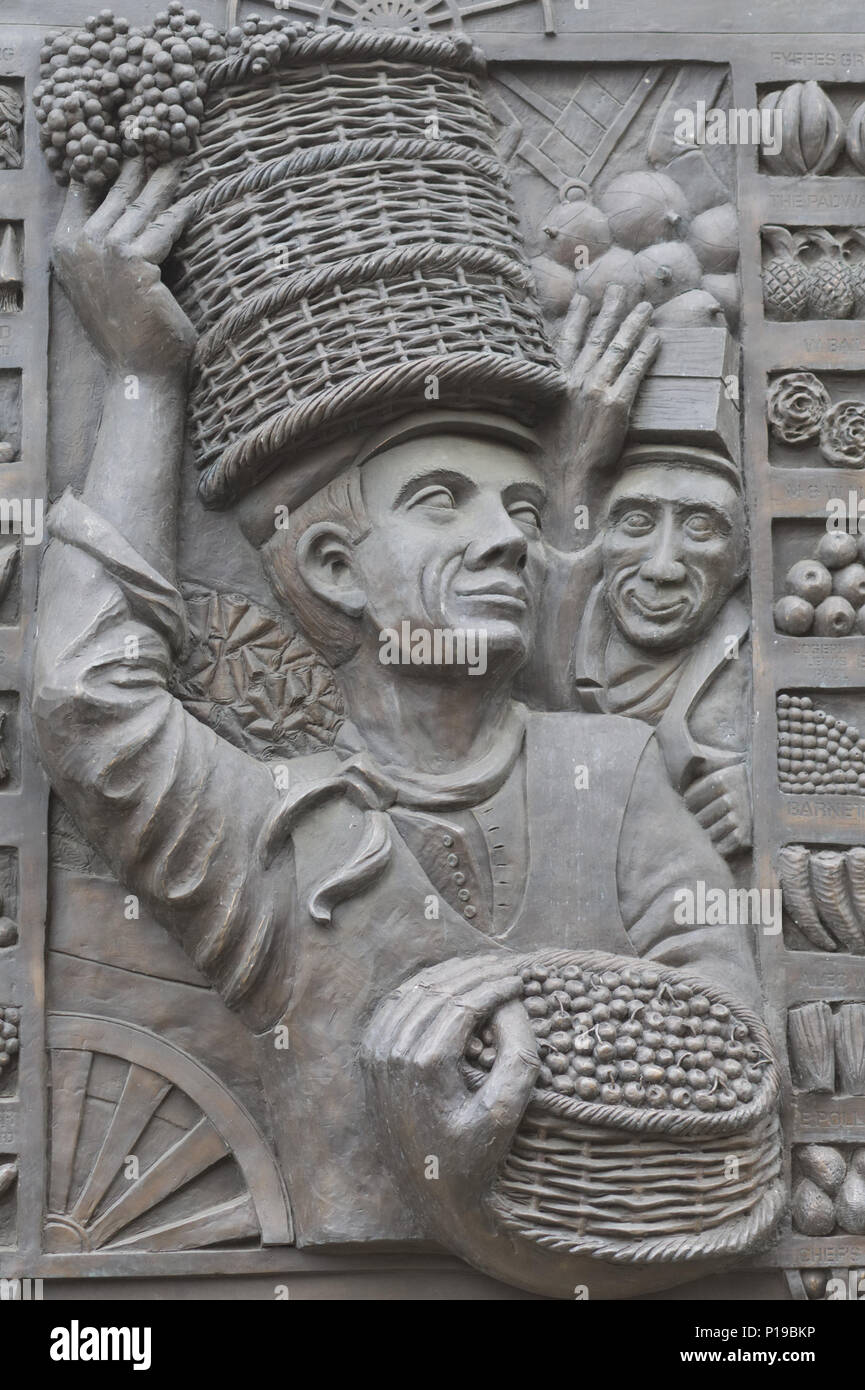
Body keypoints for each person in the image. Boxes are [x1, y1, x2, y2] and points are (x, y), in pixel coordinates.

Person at [31, 161, 760, 1295]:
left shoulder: (610, 779)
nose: (510, 537)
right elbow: (89, 702)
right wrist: (139, 380)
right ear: (334, 567)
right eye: (442, 501)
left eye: (524, 509)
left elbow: (726, 1055)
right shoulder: (278, 839)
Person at [571, 447, 751, 859]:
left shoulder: (766, 662)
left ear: (741, 559)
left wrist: (768, 799)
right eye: (636, 523)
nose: (662, 568)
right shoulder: (544, 637)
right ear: (602, 542)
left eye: (701, 529)